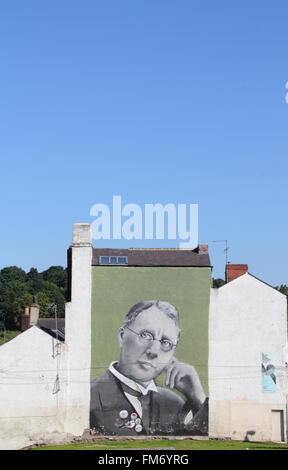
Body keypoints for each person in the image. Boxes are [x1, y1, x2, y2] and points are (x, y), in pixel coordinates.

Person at [90, 300, 208, 435]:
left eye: (166, 343)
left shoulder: (172, 403)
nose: (154, 351)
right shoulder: (89, 397)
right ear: (122, 336)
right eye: (145, 335)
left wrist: (198, 398)